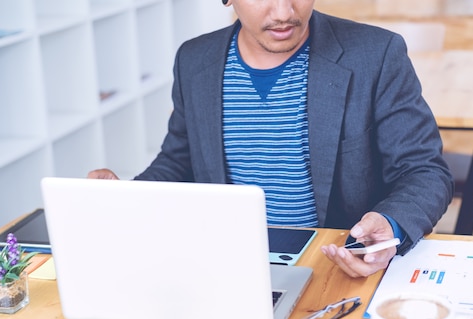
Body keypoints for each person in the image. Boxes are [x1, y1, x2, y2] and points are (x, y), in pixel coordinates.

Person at [88, 0, 454, 278]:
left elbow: (425, 171)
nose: (283, 12)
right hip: (225, 268)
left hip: (335, 268)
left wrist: (390, 225)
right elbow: (179, 161)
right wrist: (126, 196)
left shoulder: (375, 54)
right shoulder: (194, 60)